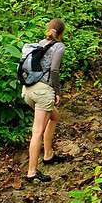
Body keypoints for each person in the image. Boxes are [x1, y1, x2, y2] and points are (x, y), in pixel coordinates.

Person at [21, 18, 66, 182]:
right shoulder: (59, 46)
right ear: (62, 33)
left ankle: (48, 154)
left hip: (28, 90)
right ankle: (32, 172)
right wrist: (57, 91)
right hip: (43, 92)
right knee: (37, 131)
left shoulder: (40, 42)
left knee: (55, 116)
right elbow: (54, 70)